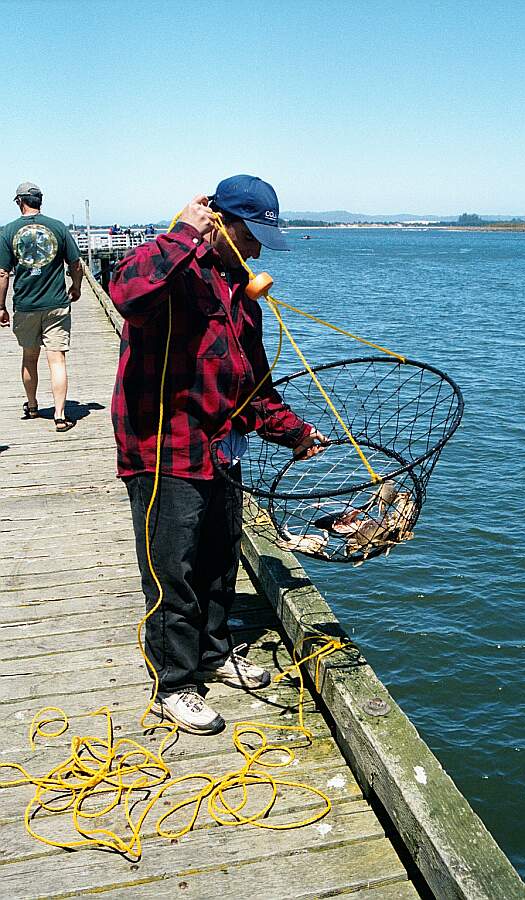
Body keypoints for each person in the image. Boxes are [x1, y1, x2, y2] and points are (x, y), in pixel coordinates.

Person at [110, 175, 327, 735]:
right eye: (248, 233)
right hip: (164, 448)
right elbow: (126, 294)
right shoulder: (173, 272)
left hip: (220, 448)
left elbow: (250, 385)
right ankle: (175, 684)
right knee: (171, 571)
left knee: (218, 560)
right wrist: (184, 231)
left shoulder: (240, 291)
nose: (256, 247)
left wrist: (294, 433)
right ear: (218, 223)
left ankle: (214, 653)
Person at [0, 182, 83, 432]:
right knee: (57, 360)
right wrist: (76, 287)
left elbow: (3, 273)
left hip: (25, 304)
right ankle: (59, 415)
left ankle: (33, 405)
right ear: (39, 201)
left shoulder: (7, 231)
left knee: (29, 357)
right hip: (56, 303)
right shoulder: (58, 227)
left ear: (19, 202)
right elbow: (76, 263)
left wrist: (1, 306)